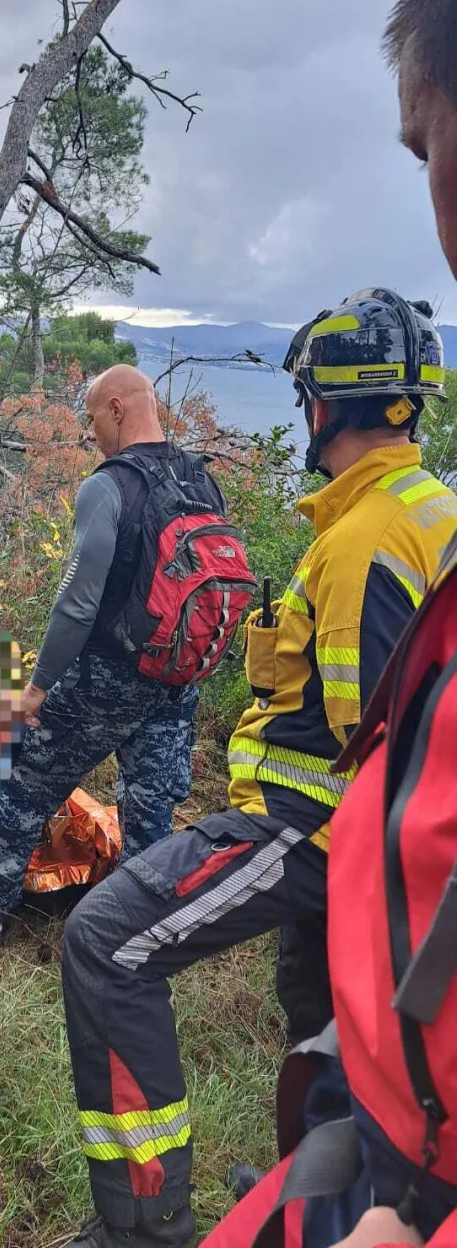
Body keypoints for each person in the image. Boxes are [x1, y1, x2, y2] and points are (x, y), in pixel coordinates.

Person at [58, 289, 457, 1247]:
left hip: (312, 826)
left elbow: (377, 749)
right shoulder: (429, 508)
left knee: (105, 941)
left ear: (322, 404)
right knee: (334, 1025)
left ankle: (143, 1227)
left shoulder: (360, 543)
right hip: (353, 844)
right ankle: (323, 1197)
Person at [0, 364, 232, 942]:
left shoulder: (108, 486)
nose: (91, 435)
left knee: (17, 788)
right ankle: (143, 936)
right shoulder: (201, 479)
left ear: (116, 409)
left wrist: (36, 688)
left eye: (91, 419)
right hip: (178, 677)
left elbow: (78, 605)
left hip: (109, 678)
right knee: (151, 809)